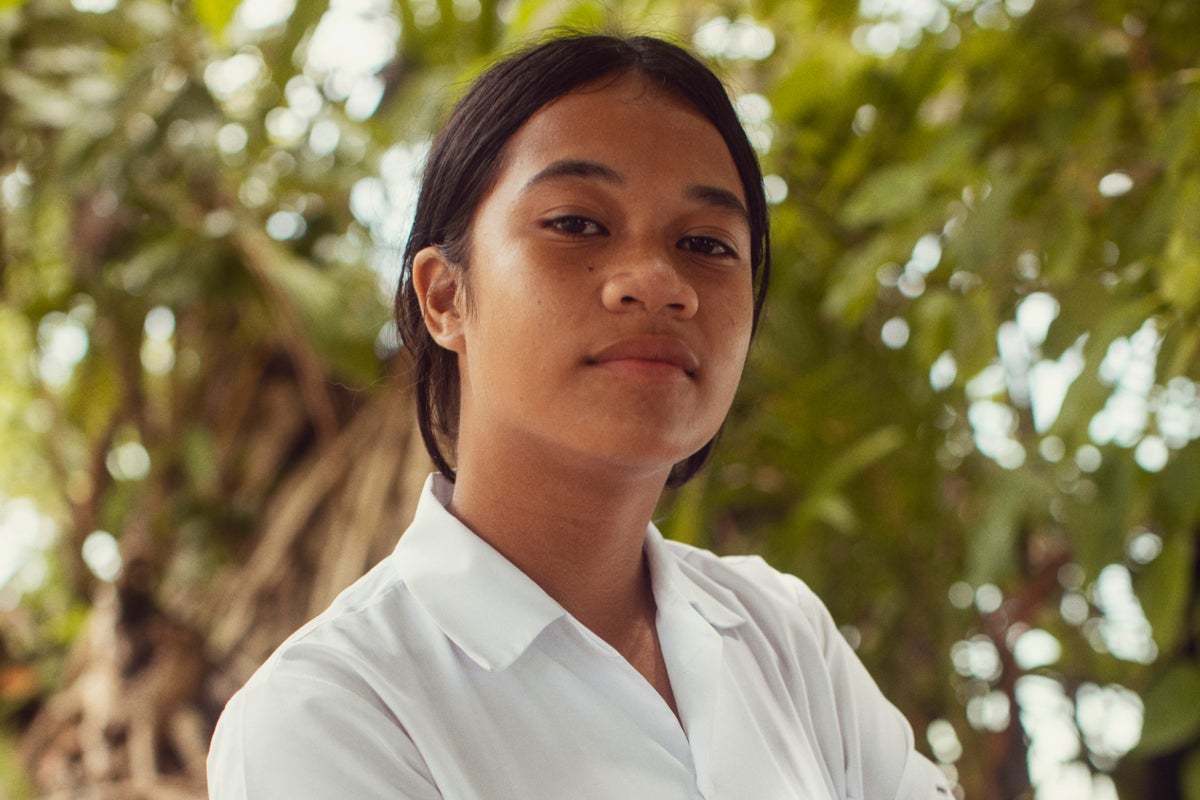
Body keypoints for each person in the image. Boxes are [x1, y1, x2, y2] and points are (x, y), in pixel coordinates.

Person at [207, 31, 953, 800]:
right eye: (577, 224)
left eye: (706, 243)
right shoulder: (331, 714)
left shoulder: (783, 637)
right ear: (445, 297)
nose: (658, 283)